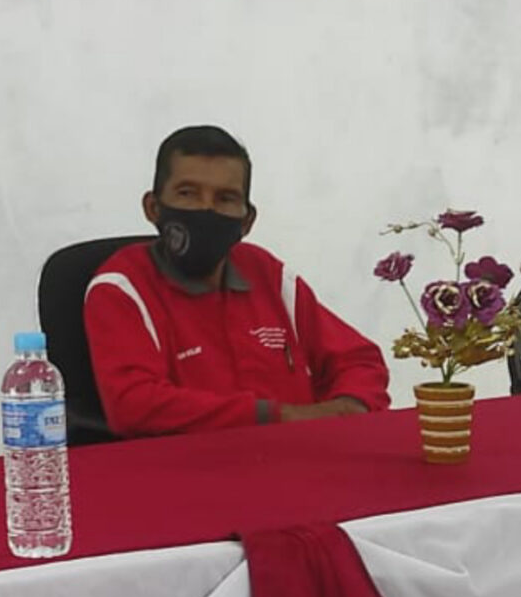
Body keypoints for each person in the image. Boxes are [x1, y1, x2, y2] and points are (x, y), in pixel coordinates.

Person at [83, 125, 390, 436]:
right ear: (153, 208)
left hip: (298, 456)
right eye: (188, 193)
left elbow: (359, 360)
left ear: (247, 221)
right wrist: (281, 417)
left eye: (225, 198)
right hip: (189, 463)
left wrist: (350, 407)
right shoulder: (121, 287)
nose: (206, 209)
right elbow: (134, 405)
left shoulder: (267, 274)